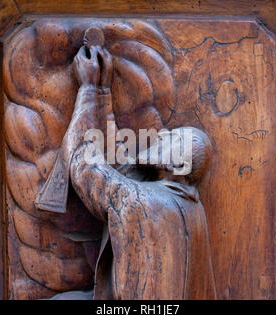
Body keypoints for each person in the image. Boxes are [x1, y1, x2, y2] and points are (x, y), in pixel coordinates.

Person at [56, 44, 217, 299]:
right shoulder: (185, 201)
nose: (162, 136)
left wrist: (87, 90)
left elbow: (82, 162)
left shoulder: (143, 202)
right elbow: (121, 166)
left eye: (171, 141)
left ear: (177, 165)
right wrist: (102, 93)